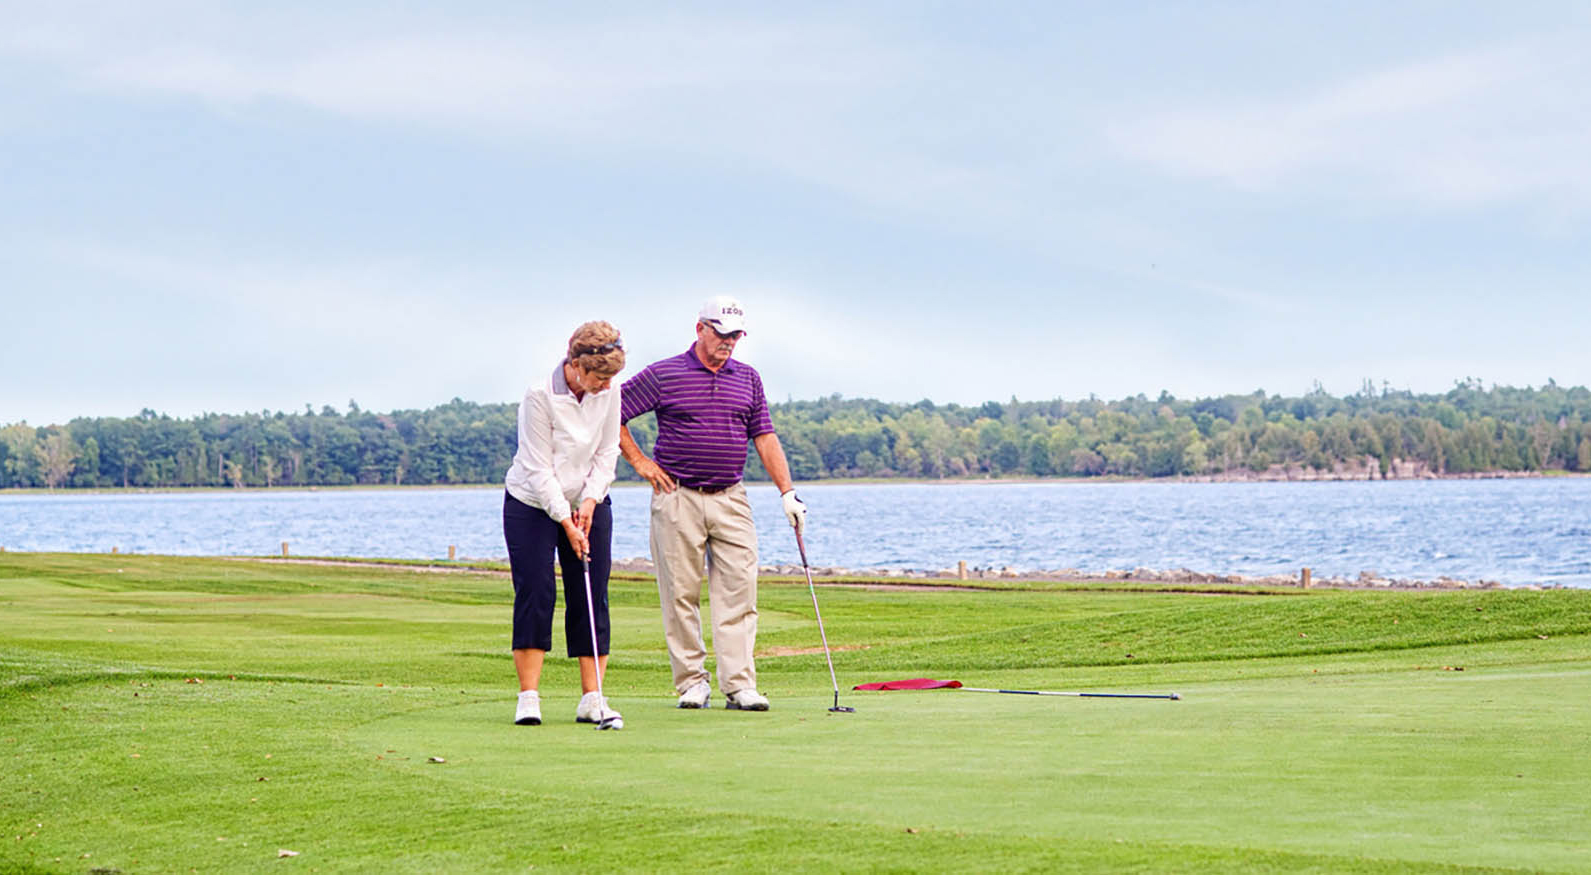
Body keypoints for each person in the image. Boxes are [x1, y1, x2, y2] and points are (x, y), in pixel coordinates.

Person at [618, 296, 807, 711]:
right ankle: (691, 683)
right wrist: (641, 463)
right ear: (700, 328)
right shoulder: (664, 374)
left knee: (741, 591)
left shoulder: (748, 378)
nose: (729, 342)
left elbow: (764, 436)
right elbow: (610, 411)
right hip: (676, 496)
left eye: (736, 335)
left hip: (731, 497)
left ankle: (740, 686)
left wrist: (787, 492)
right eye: (721, 333)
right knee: (680, 593)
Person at [503, 321, 626, 728]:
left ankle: (593, 698)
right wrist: (566, 521)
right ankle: (529, 697)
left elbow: (608, 451)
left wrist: (589, 501)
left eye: (611, 377)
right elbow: (539, 469)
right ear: (575, 364)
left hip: (587, 499)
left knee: (591, 593)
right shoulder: (540, 395)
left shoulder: (610, 391)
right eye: (599, 376)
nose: (606, 385)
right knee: (536, 591)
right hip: (532, 503)